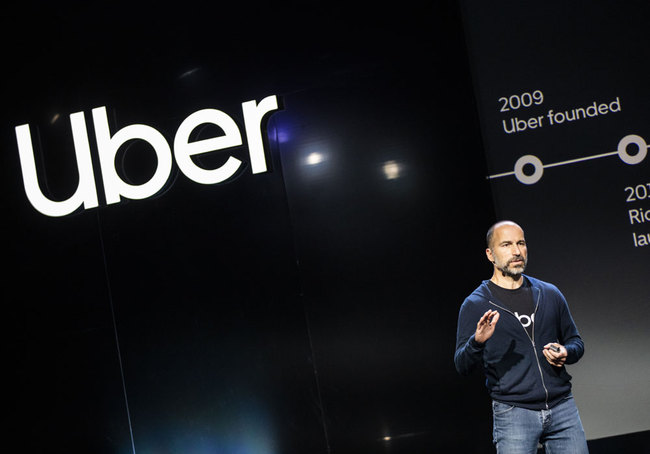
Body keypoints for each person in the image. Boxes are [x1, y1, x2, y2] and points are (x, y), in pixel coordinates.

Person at [454, 220, 588, 453]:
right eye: (506, 244)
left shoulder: (549, 293)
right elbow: (461, 365)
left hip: (562, 408)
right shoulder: (476, 304)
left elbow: (576, 343)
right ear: (490, 254)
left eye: (521, 243)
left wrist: (566, 352)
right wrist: (477, 342)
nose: (516, 251)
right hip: (513, 413)